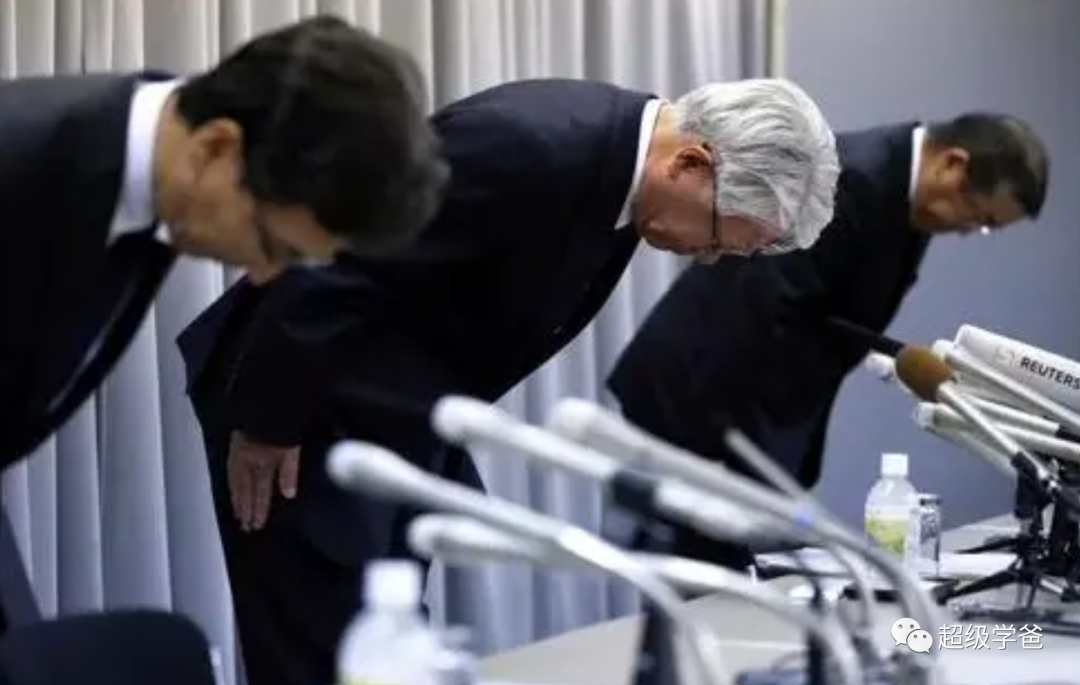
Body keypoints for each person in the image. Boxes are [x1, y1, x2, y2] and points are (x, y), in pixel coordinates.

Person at [176, 76, 841, 685]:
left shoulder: (625, 174)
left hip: (392, 417)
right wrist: (267, 418)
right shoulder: (528, 143)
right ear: (690, 163)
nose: (709, 258)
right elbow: (337, 253)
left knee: (385, 649)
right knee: (321, 658)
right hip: (302, 410)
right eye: (718, 238)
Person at [0, 15, 445, 633]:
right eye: (273, 245)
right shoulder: (23, 161)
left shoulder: (144, 180)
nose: (263, 275)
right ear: (215, 146)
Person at [606, 113, 1049, 570]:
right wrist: (744, 464)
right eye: (979, 217)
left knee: (739, 580)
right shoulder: (847, 177)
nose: (968, 231)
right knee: (698, 586)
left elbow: (827, 317)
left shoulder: (904, 195)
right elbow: (758, 312)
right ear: (953, 165)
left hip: (739, 416)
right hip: (700, 405)